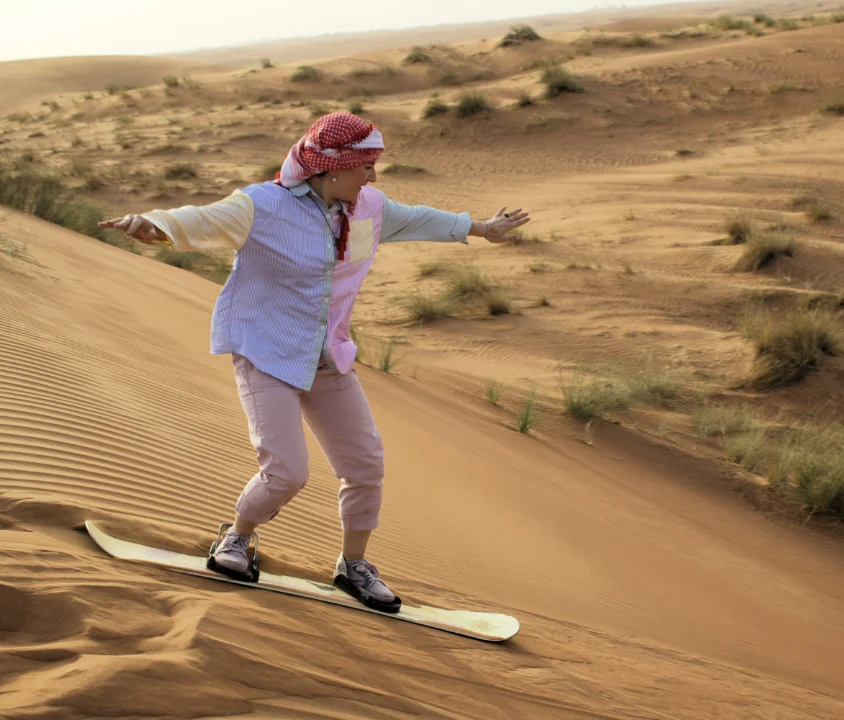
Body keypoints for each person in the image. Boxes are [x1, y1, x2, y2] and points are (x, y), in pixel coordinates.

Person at [99, 112, 530, 612]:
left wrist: (482, 228)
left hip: (326, 356)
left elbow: (418, 218)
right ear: (331, 168)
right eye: (365, 166)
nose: (372, 177)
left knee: (366, 464)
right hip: (266, 351)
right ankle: (237, 537)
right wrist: (154, 225)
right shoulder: (263, 205)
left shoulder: (368, 208)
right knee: (286, 473)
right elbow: (204, 219)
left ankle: (354, 567)